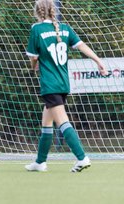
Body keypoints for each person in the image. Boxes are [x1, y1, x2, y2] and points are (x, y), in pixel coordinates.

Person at [25, 0, 108, 172]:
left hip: (50, 85)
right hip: (63, 83)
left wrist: (34, 66)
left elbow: (33, 57)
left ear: (38, 12)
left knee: (62, 121)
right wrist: (98, 61)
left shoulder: (37, 29)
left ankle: (82, 157)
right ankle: (40, 162)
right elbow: (82, 46)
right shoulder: (65, 28)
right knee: (46, 122)